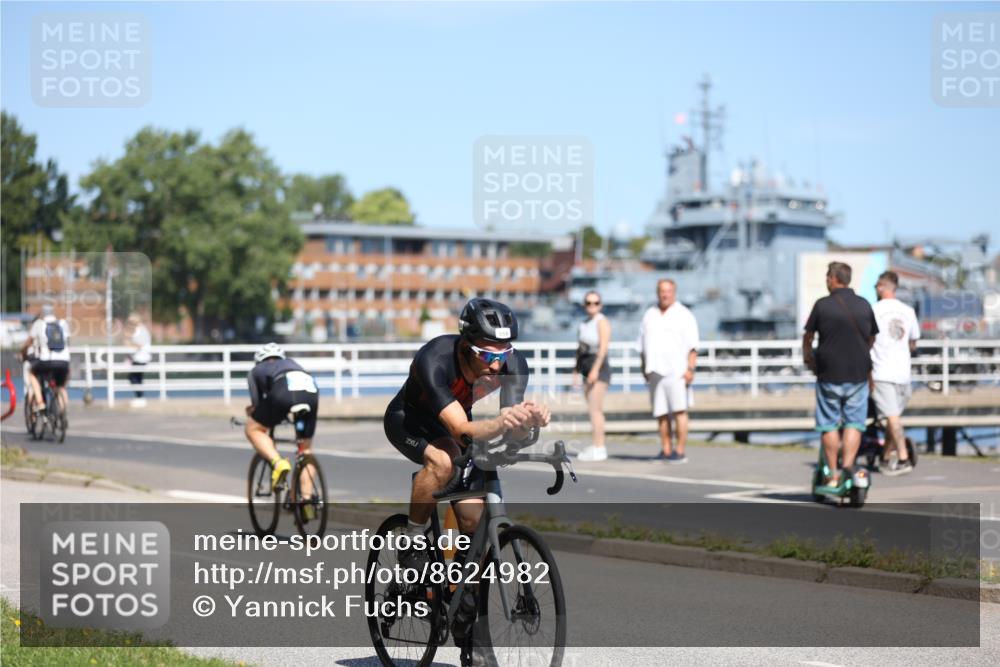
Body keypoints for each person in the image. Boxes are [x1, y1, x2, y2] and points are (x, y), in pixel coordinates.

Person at [383, 298, 550, 563]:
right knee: (443, 460)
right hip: (409, 419)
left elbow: (512, 431)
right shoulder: (435, 358)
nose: (496, 365)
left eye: (502, 354)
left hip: (458, 419)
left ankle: (464, 588)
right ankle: (413, 540)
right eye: (487, 355)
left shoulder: (514, 366)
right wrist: (500, 423)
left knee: (473, 521)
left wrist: (528, 422)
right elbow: (460, 429)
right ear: (465, 346)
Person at [802, 261, 879, 487]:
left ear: (834, 279)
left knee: (828, 424)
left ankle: (833, 475)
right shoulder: (864, 305)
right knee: (854, 423)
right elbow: (872, 338)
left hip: (829, 373)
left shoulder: (822, 305)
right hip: (858, 373)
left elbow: (808, 337)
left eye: (828, 277)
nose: (826, 281)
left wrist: (809, 358)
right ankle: (848, 468)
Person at [244, 343, 319, 498]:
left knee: (252, 429)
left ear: (259, 361)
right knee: (305, 450)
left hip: (283, 392)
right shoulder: (292, 364)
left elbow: (257, 405)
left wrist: (252, 412)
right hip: (311, 391)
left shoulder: (255, 371)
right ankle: (305, 501)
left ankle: (278, 463)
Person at [638, 279, 700, 464]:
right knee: (661, 413)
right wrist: (644, 369)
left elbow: (693, 346)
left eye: (668, 291)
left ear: (674, 292)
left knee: (680, 411)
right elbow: (641, 345)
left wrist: (690, 369)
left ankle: (679, 451)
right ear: (657, 293)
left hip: (677, 371)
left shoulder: (684, 315)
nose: (665, 294)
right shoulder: (649, 314)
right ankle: (666, 449)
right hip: (655, 371)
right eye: (662, 291)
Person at [871, 271, 920, 476]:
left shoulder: (873, 310)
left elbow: (867, 340)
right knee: (894, 417)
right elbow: (913, 342)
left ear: (882, 287)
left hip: (881, 371)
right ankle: (884, 457)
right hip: (903, 373)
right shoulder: (908, 311)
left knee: (892, 418)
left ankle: (902, 457)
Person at [574, 290, 612, 462]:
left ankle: (599, 446)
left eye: (595, 303)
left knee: (596, 409)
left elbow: (603, 348)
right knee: (591, 408)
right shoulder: (583, 324)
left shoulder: (601, 321)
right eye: (589, 303)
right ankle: (595, 445)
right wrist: (576, 371)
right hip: (585, 366)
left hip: (599, 367)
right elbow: (580, 349)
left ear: (600, 305)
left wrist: (595, 370)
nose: (592, 306)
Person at [19, 304, 71, 418]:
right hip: (64, 361)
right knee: (61, 386)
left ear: (42, 314)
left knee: (32, 373)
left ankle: (41, 403)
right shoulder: (63, 323)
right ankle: (62, 414)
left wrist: (22, 353)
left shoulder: (39, 324)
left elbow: (28, 343)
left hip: (46, 362)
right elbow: (67, 341)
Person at [126, 313, 152, 408]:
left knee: (133, 377)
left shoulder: (141, 330)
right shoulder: (139, 330)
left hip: (141, 358)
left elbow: (140, 344)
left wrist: (129, 343)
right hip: (138, 357)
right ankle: (139, 397)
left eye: (131, 322)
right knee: (137, 378)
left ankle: (140, 397)